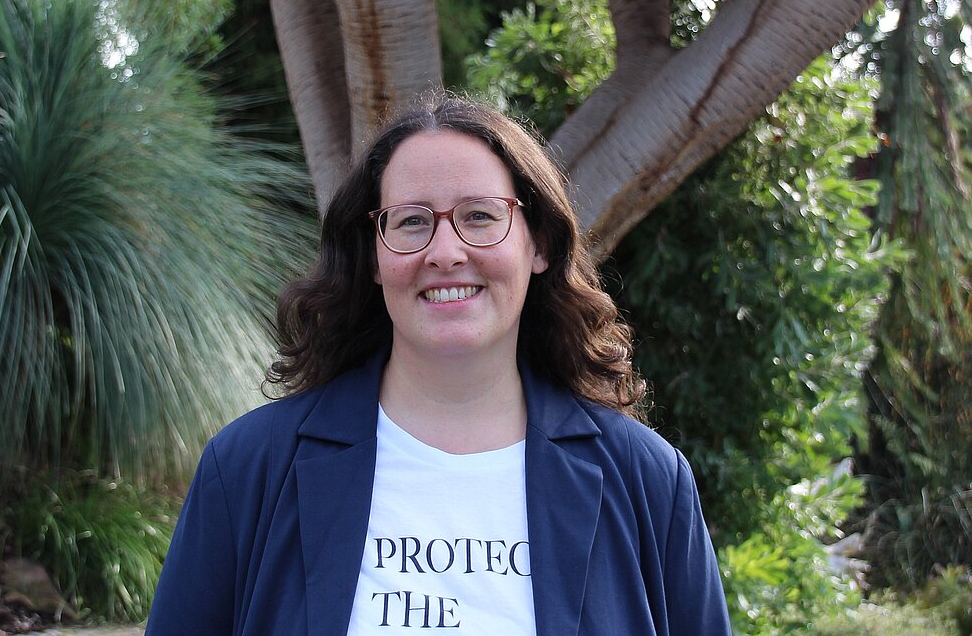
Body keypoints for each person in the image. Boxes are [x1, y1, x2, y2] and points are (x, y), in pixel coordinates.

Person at [146, 94, 731, 635]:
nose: (446, 252)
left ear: (539, 244)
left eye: (479, 215)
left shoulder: (647, 480)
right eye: (410, 222)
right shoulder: (249, 469)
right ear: (373, 258)